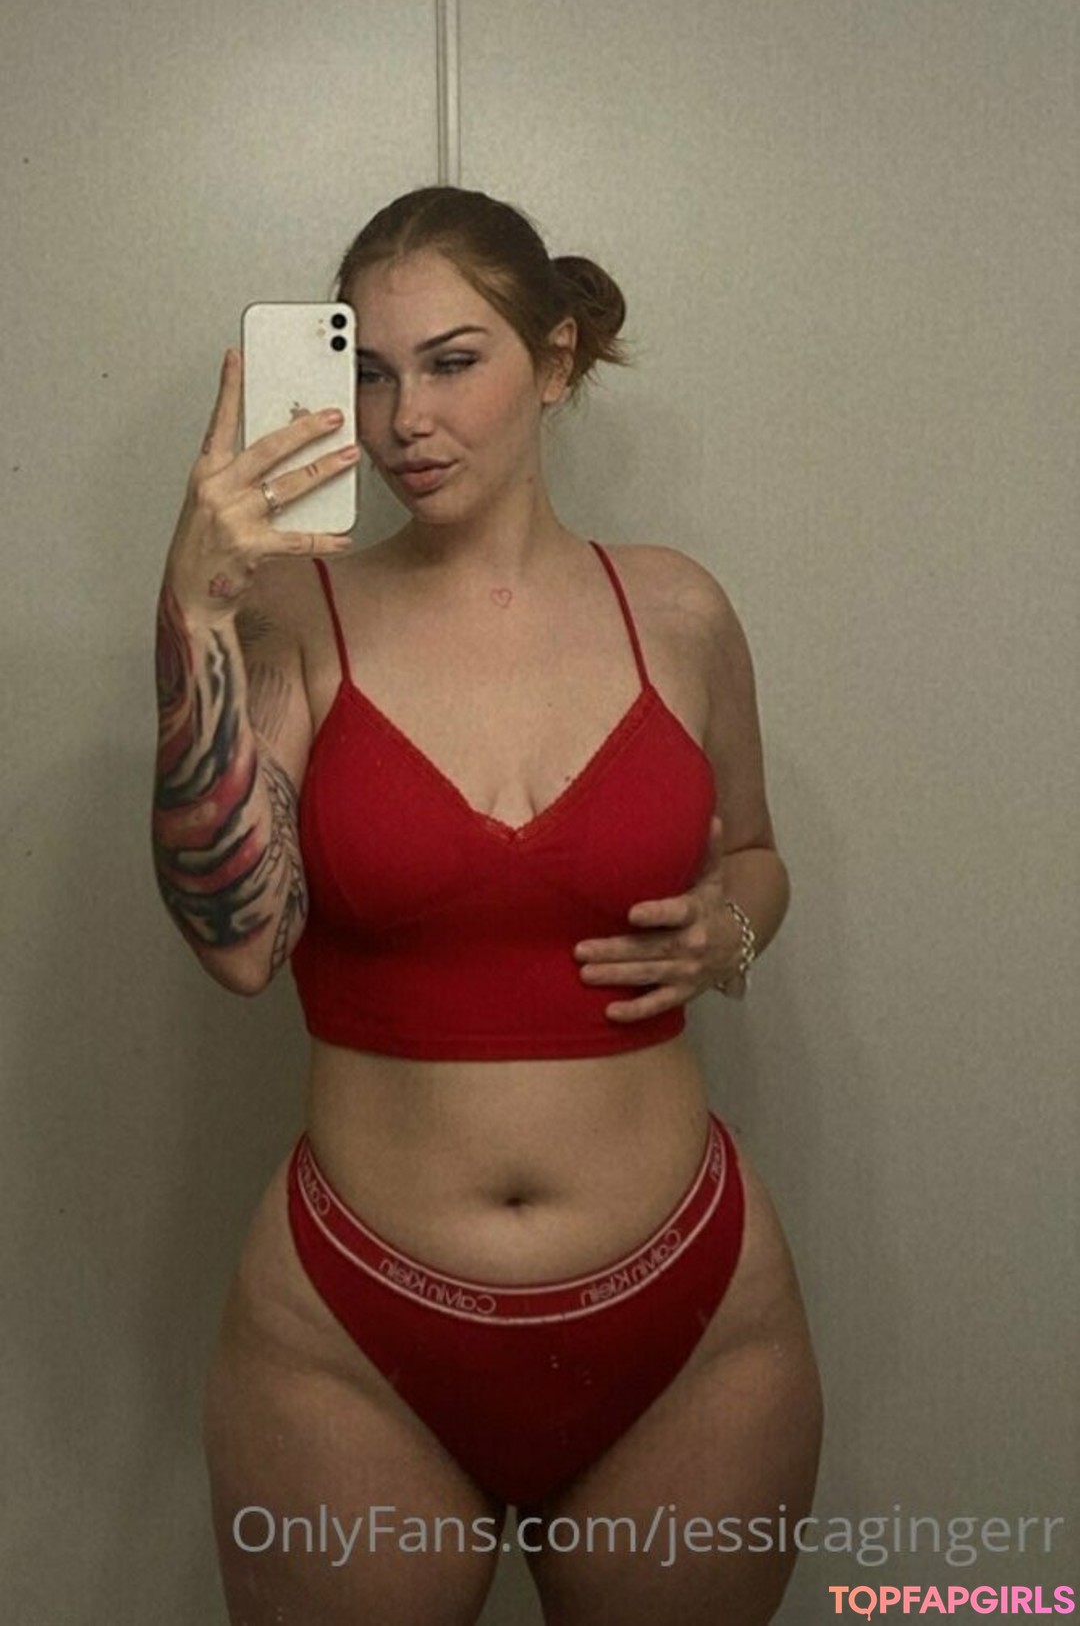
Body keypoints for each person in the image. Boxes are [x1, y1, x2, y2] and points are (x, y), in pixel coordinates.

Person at [153, 185, 822, 1626]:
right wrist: (195, 614)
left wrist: (730, 931)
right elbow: (238, 942)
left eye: (454, 363)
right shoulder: (295, 616)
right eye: (372, 374)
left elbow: (756, 853)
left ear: (556, 357)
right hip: (348, 1334)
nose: (407, 421)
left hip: (694, 1318)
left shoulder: (679, 612)